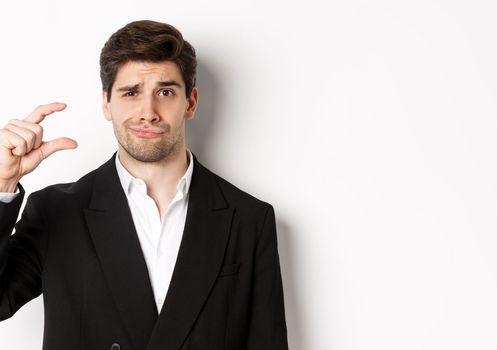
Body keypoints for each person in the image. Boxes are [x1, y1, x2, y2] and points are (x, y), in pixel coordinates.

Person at [0, 20, 289, 350]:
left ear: (191, 102)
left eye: (165, 92)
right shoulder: (57, 211)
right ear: (107, 103)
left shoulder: (248, 219)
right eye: (131, 93)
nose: (148, 112)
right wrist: (3, 182)